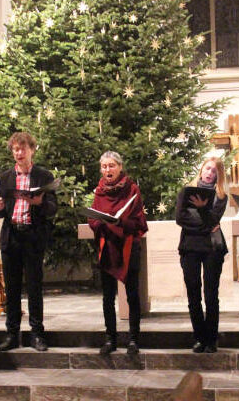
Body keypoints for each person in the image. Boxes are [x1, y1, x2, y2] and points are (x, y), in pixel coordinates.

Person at [0, 132, 57, 352]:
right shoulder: (5, 178)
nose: (19, 153)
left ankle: (37, 334)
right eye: (15, 149)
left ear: (32, 150)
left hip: (32, 237)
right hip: (11, 236)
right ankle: (12, 334)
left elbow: (52, 209)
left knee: (34, 286)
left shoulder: (43, 176)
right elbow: (0, 212)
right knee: (12, 288)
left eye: (23, 149)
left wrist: (39, 202)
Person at [88, 151, 148, 355]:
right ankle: (110, 339)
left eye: (112, 165)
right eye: (104, 166)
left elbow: (139, 221)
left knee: (132, 294)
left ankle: (133, 339)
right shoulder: (99, 191)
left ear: (120, 167)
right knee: (107, 297)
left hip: (128, 246)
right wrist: (100, 222)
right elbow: (93, 219)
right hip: (108, 248)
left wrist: (119, 221)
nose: (108, 170)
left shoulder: (132, 189)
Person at [175, 157, 228, 353]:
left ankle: (211, 339)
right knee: (193, 293)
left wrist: (201, 209)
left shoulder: (221, 196)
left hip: (212, 248)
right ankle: (199, 337)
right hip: (190, 247)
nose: (209, 173)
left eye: (214, 171)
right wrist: (205, 225)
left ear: (218, 175)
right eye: (207, 168)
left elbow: (214, 218)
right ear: (201, 169)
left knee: (211, 294)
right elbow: (180, 218)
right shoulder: (186, 191)